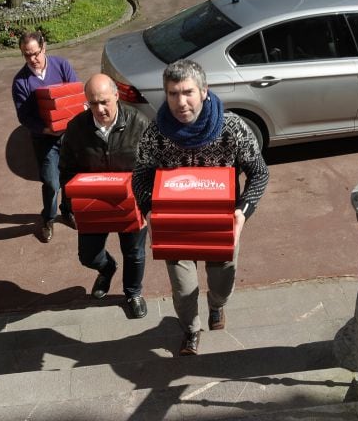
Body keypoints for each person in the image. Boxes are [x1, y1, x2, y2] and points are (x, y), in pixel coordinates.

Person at [132, 59, 269, 356]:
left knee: (221, 281)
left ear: (204, 91)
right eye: (172, 94)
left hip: (220, 225)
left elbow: (259, 172)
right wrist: (150, 211)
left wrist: (242, 213)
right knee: (183, 290)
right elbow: (141, 174)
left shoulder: (231, 127)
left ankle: (217, 305)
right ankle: (191, 329)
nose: (180, 102)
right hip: (175, 227)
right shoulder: (156, 132)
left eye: (187, 92)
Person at [59, 74, 150, 319]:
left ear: (117, 97)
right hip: (92, 203)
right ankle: (107, 268)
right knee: (88, 255)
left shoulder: (139, 123)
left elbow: (152, 166)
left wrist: (146, 201)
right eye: (92, 103)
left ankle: (132, 293)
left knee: (134, 253)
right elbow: (66, 167)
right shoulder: (77, 127)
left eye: (104, 102)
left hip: (131, 204)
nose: (99, 109)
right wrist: (69, 203)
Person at [11, 31, 79, 243]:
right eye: (27, 55)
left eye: (35, 53)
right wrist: (46, 130)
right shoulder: (20, 82)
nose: (33, 59)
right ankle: (48, 218)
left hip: (70, 136)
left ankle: (67, 210)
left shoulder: (62, 65)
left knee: (70, 178)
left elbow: (76, 94)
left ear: (44, 47)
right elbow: (24, 117)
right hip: (45, 139)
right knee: (51, 182)